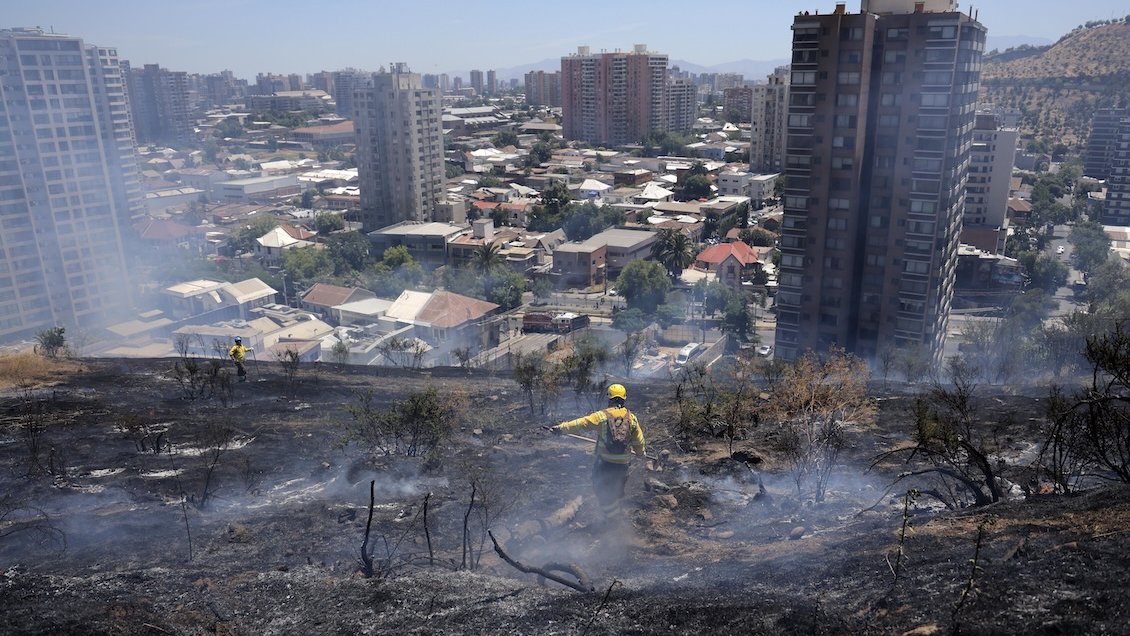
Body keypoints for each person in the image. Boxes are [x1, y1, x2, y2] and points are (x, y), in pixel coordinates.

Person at [551, 383, 645, 523]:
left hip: (605, 464)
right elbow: (639, 441)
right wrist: (640, 454)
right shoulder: (632, 418)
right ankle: (616, 517)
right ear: (624, 399)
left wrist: (561, 428)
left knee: (602, 493)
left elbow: (580, 424)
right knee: (614, 493)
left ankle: (615, 521)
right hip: (623, 465)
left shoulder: (601, 416)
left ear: (609, 398)